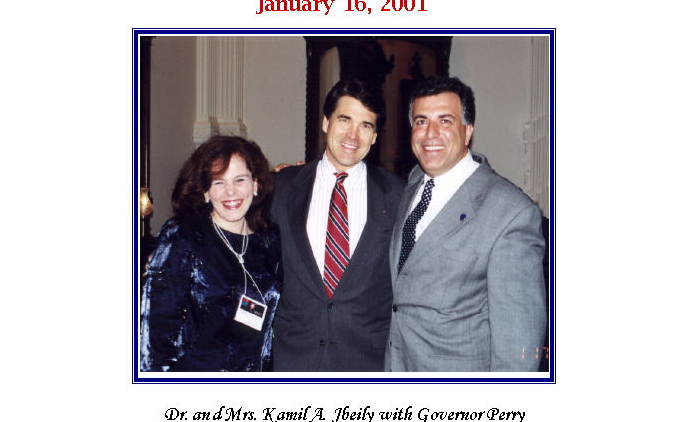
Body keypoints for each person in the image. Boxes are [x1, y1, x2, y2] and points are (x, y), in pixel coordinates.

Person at [385, 76, 546, 372]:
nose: (430, 133)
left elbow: (517, 347)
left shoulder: (512, 213)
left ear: (468, 130)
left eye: (445, 120)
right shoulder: (413, 184)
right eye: (421, 121)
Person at [271, 79, 405, 372]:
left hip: (367, 363)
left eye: (365, 126)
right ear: (325, 122)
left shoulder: (399, 196)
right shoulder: (281, 187)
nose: (353, 135)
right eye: (344, 120)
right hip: (293, 359)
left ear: (374, 137)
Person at [140, 136, 281, 372]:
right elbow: (154, 333)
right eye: (218, 182)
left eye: (240, 179)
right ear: (205, 190)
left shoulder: (268, 238)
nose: (230, 192)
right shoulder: (183, 237)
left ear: (255, 184)